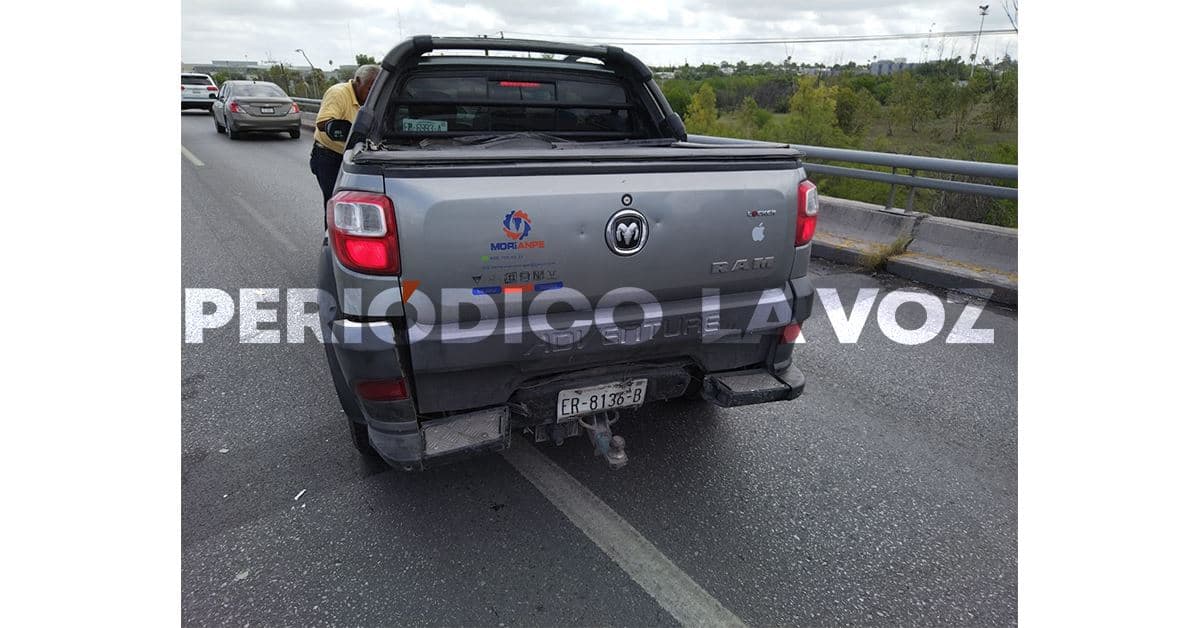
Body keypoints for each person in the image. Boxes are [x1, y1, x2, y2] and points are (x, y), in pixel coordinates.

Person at [310, 64, 381, 210]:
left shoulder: (375, 99)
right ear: (358, 81)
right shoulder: (338, 93)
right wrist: (349, 131)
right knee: (335, 204)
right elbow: (323, 122)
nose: (372, 93)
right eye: (369, 88)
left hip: (359, 157)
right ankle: (328, 233)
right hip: (330, 157)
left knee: (361, 205)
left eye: (376, 89)